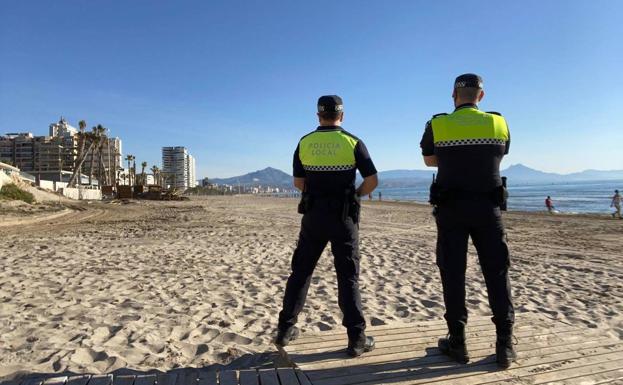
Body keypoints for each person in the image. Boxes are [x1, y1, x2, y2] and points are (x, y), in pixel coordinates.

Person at [420, 74, 516, 368]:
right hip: (488, 208)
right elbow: (499, 155)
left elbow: (429, 160)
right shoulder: (498, 123)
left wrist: (453, 158)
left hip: (451, 209)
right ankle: (505, 344)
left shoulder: (437, 124)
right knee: (497, 273)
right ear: (482, 96)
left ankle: (458, 342)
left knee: (453, 273)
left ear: (453, 95)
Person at [275, 95, 378, 357]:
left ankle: (285, 329)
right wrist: (354, 195)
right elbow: (372, 180)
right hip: (344, 217)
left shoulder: (305, 142)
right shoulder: (353, 142)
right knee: (348, 277)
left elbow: (299, 182)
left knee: (301, 272)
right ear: (342, 115)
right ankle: (356, 339)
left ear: (318, 115)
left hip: (314, 215)